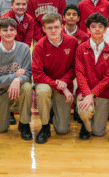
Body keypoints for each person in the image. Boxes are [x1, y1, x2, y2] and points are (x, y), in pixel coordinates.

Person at [31, 13, 79, 143]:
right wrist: (59, 86)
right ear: (43, 29)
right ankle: (45, 126)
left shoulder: (72, 41)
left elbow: (75, 67)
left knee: (62, 130)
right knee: (43, 91)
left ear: (62, 26)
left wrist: (64, 81)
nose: (53, 31)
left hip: (64, 83)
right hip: (46, 83)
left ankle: (53, 112)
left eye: (56, 27)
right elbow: (37, 74)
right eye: (49, 28)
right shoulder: (40, 45)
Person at [0, 17, 34, 139]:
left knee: (27, 87)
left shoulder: (24, 48)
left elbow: (28, 74)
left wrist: (18, 79)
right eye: (5, 30)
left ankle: (24, 123)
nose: (8, 33)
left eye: (11, 29)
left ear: (16, 32)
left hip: (19, 88)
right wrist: (15, 76)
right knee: (0, 129)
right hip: (0, 92)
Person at [75, 13, 109, 140]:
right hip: (84, 91)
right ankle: (85, 122)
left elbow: (108, 77)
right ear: (88, 30)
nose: (97, 29)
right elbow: (79, 73)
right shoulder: (81, 49)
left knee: (99, 132)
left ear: (105, 29)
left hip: (103, 93)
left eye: (100, 26)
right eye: (93, 26)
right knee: (85, 111)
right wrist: (87, 93)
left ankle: (89, 120)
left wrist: (91, 94)